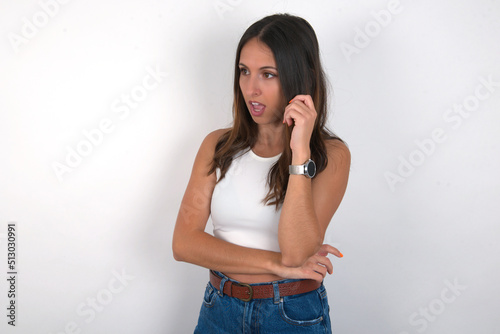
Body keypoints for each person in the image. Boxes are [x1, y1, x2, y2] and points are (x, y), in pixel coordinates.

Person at [173, 13, 350, 333]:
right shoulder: (218, 146)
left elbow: (298, 253)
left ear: (300, 77)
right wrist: (275, 263)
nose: (251, 88)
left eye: (268, 74)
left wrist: (300, 154)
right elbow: (184, 243)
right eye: (244, 71)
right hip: (219, 309)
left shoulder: (330, 156)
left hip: (291, 314)